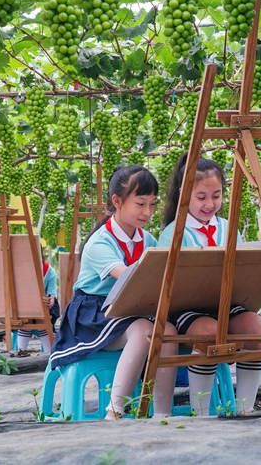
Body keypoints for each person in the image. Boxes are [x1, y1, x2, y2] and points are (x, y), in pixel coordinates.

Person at [49, 165, 178, 419]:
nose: (148, 212)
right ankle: (114, 411)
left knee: (168, 331)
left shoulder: (147, 240)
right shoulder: (100, 242)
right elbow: (131, 279)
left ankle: (163, 413)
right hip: (94, 315)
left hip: (128, 309)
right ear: (117, 202)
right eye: (140, 204)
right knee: (143, 331)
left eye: (152, 204)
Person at [158, 152, 261, 416]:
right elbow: (162, 282)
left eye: (216, 196)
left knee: (254, 325)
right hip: (187, 309)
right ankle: (201, 412)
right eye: (201, 197)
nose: (210, 204)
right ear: (184, 194)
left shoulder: (228, 229)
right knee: (207, 330)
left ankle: (245, 409)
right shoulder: (173, 233)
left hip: (226, 303)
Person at [16, 261, 59, 354]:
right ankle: (21, 351)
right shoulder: (18, 269)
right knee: (27, 319)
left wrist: (50, 299)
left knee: (41, 319)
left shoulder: (49, 271)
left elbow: (52, 295)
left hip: (43, 306)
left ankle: (48, 354)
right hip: (22, 307)